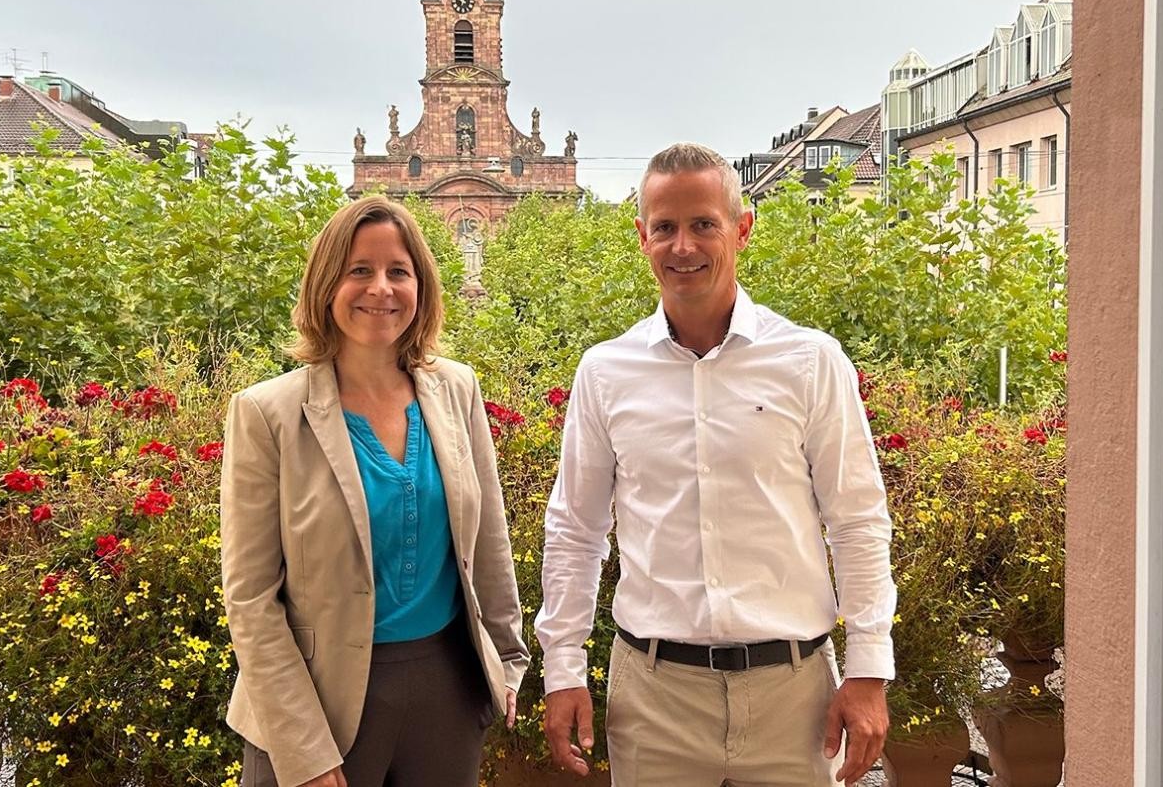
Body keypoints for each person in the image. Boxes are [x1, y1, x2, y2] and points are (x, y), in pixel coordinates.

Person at [536, 143, 896, 786]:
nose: (683, 246)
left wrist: (868, 669)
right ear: (642, 235)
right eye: (666, 227)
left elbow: (858, 518)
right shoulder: (606, 372)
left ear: (742, 229)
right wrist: (562, 666)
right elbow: (575, 530)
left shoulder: (810, 362)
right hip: (654, 700)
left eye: (704, 224)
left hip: (796, 698)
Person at [221, 196, 529, 787]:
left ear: (422, 285)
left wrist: (508, 661)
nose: (380, 288)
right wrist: (304, 747)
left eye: (399, 271)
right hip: (318, 703)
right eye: (359, 269)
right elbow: (251, 600)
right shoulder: (268, 414)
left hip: (446, 690)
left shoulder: (455, 388)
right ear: (326, 283)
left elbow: (487, 536)